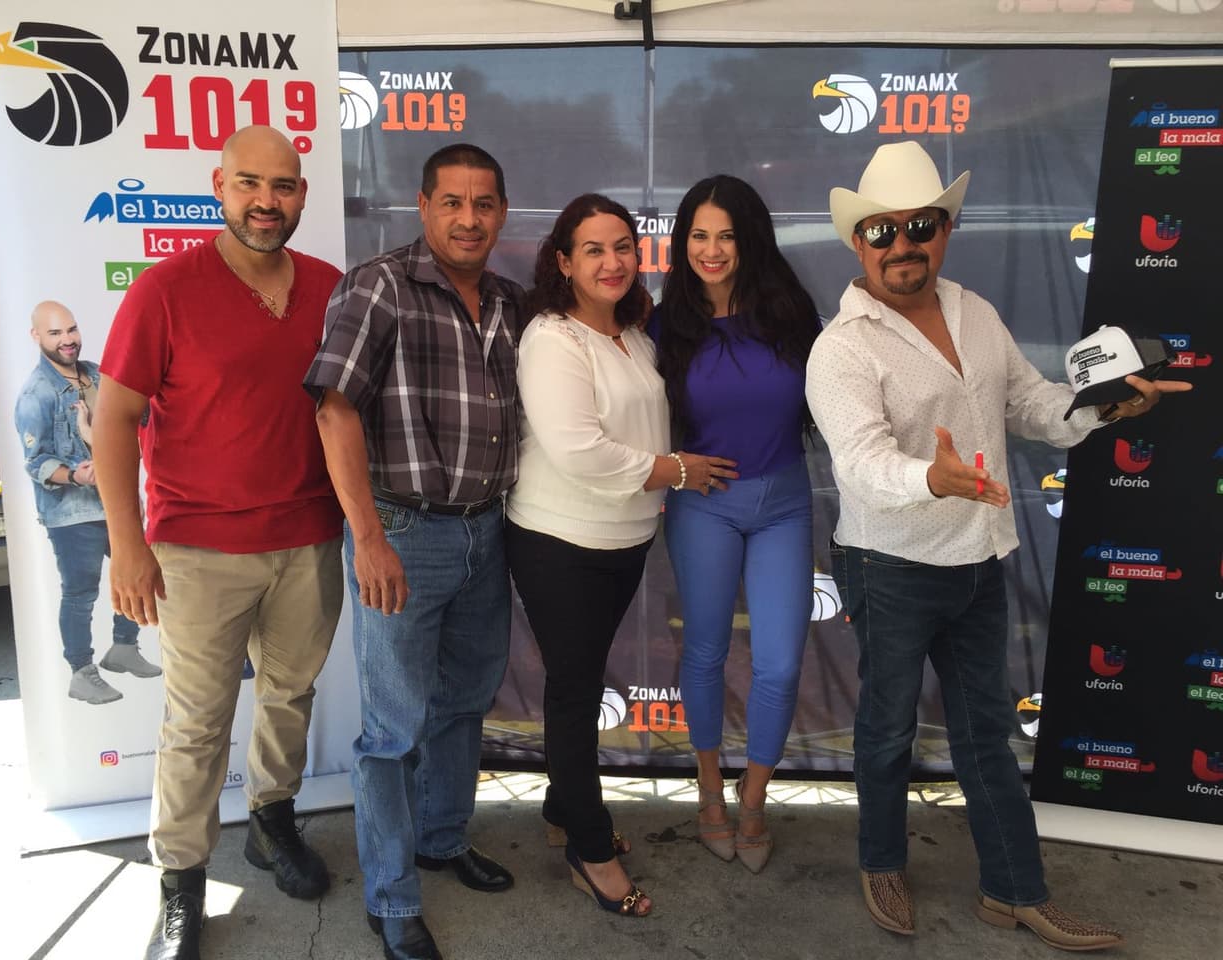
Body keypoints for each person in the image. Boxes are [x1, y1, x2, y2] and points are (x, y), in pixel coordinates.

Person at [807, 140, 1189, 949]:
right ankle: (881, 863)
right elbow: (864, 465)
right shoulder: (840, 349)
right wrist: (932, 479)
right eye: (882, 231)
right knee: (885, 730)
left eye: (920, 225)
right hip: (890, 564)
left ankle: (1013, 891)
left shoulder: (975, 311)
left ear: (945, 228)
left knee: (986, 734)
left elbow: (1034, 404)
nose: (902, 244)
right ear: (858, 242)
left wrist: (1103, 408)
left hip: (979, 556)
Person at [93, 125, 345, 960]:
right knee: (197, 724)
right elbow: (114, 419)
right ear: (218, 185)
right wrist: (128, 549)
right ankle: (181, 885)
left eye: (283, 186)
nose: (266, 203)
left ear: (302, 194)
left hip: (309, 537)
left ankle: (273, 820)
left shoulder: (328, 287)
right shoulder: (166, 290)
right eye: (248, 184)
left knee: (288, 695)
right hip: (197, 550)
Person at [304, 143, 521, 960]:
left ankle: (440, 837)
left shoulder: (507, 300)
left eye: (486, 203)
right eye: (454, 203)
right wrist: (367, 538)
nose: (470, 219)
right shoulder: (380, 285)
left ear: (501, 211)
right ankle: (392, 898)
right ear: (424, 207)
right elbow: (334, 411)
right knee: (392, 730)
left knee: (464, 701)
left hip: (486, 530)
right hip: (401, 531)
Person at [505, 193, 736, 919]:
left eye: (623, 248)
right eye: (594, 250)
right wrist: (678, 470)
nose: (612, 262)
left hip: (625, 537)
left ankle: (558, 806)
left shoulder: (635, 335)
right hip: (557, 541)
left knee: (580, 677)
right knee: (575, 692)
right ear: (564, 262)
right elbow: (578, 449)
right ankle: (590, 846)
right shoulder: (552, 336)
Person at [651, 175, 822, 874]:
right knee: (706, 654)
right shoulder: (666, 323)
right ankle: (710, 797)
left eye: (725, 235)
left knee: (780, 662)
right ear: (681, 241)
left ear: (750, 239)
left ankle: (754, 802)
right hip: (704, 505)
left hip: (782, 502)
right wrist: (673, 465)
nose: (711, 250)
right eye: (698, 235)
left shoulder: (790, 313)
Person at [14, 300, 162, 705]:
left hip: (116, 501)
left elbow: (134, 421)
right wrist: (74, 474)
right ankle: (81, 671)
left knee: (136, 575)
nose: (68, 340)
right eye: (56, 333)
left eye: (71, 330)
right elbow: (36, 461)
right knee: (81, 593)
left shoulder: (97, 374)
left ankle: (124, 648)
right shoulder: (36, 393)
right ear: (37, 337)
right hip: (71, 513)